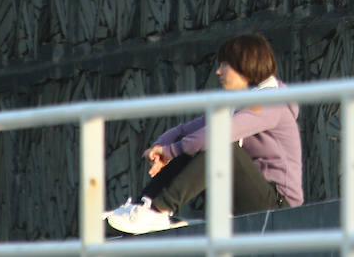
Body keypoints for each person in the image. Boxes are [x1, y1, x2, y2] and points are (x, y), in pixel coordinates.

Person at [105, 34, 303, 234]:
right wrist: (161, 147)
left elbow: (215, 134)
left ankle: (160, 209)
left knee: (219, 145)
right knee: (196, 141)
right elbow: (186, 130)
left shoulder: (271, 103)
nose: (218, 71)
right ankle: (143, 204)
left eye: (225, 65)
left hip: (279, 207)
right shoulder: (239, 104)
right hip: (247, 197)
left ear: (246, 65)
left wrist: (171, 151)